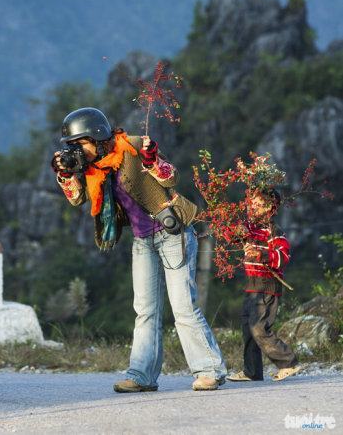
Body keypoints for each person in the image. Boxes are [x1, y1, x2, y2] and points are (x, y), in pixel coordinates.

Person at [52, 107, 227, 391]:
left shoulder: (133, 146)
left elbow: (171, 178)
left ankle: (210, 370)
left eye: (79, 144)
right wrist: (64, 174)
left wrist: (152, 160)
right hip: (143, 240)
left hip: (172, 232)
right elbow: (77, 198)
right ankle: (142, 376)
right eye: (73, 147)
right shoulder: (92, 168)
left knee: (183, 307)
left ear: (97, 137)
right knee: (144, 310)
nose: (78, 152)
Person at [226, 189, 300, 382]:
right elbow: (230, 236)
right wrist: (229, 226)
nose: (253, 208)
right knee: (247, 330)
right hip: (252, 286)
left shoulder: (273, 231)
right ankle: (252, 371)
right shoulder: (249, 228)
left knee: (259, 328)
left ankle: (288, 362)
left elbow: (283, 258)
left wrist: (261, 255)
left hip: (267, 285)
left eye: (259, 205)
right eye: (252, 204)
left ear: (270, 208)